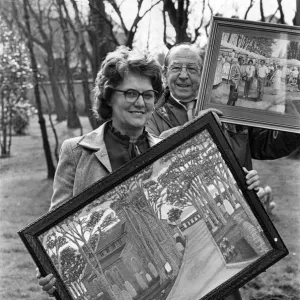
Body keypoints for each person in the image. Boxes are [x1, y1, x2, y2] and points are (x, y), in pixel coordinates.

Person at [37, 45, 261, 299]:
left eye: (148, 94)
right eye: (130, 93)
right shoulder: (76, 152)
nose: (140, 102)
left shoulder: (170, 146)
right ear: (109, 96)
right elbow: (54, 227)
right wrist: (47, 268)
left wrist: (247, 187)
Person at [146, 43, 300, 171]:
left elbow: (266, 144)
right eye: (176, 68)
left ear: (204, 73)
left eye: (192, 69)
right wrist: (197, 126)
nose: (184, 75)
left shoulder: (228, 108)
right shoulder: (149, 118)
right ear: (165, 74)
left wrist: (294, 121)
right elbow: (150, 164)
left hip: (235, 201)